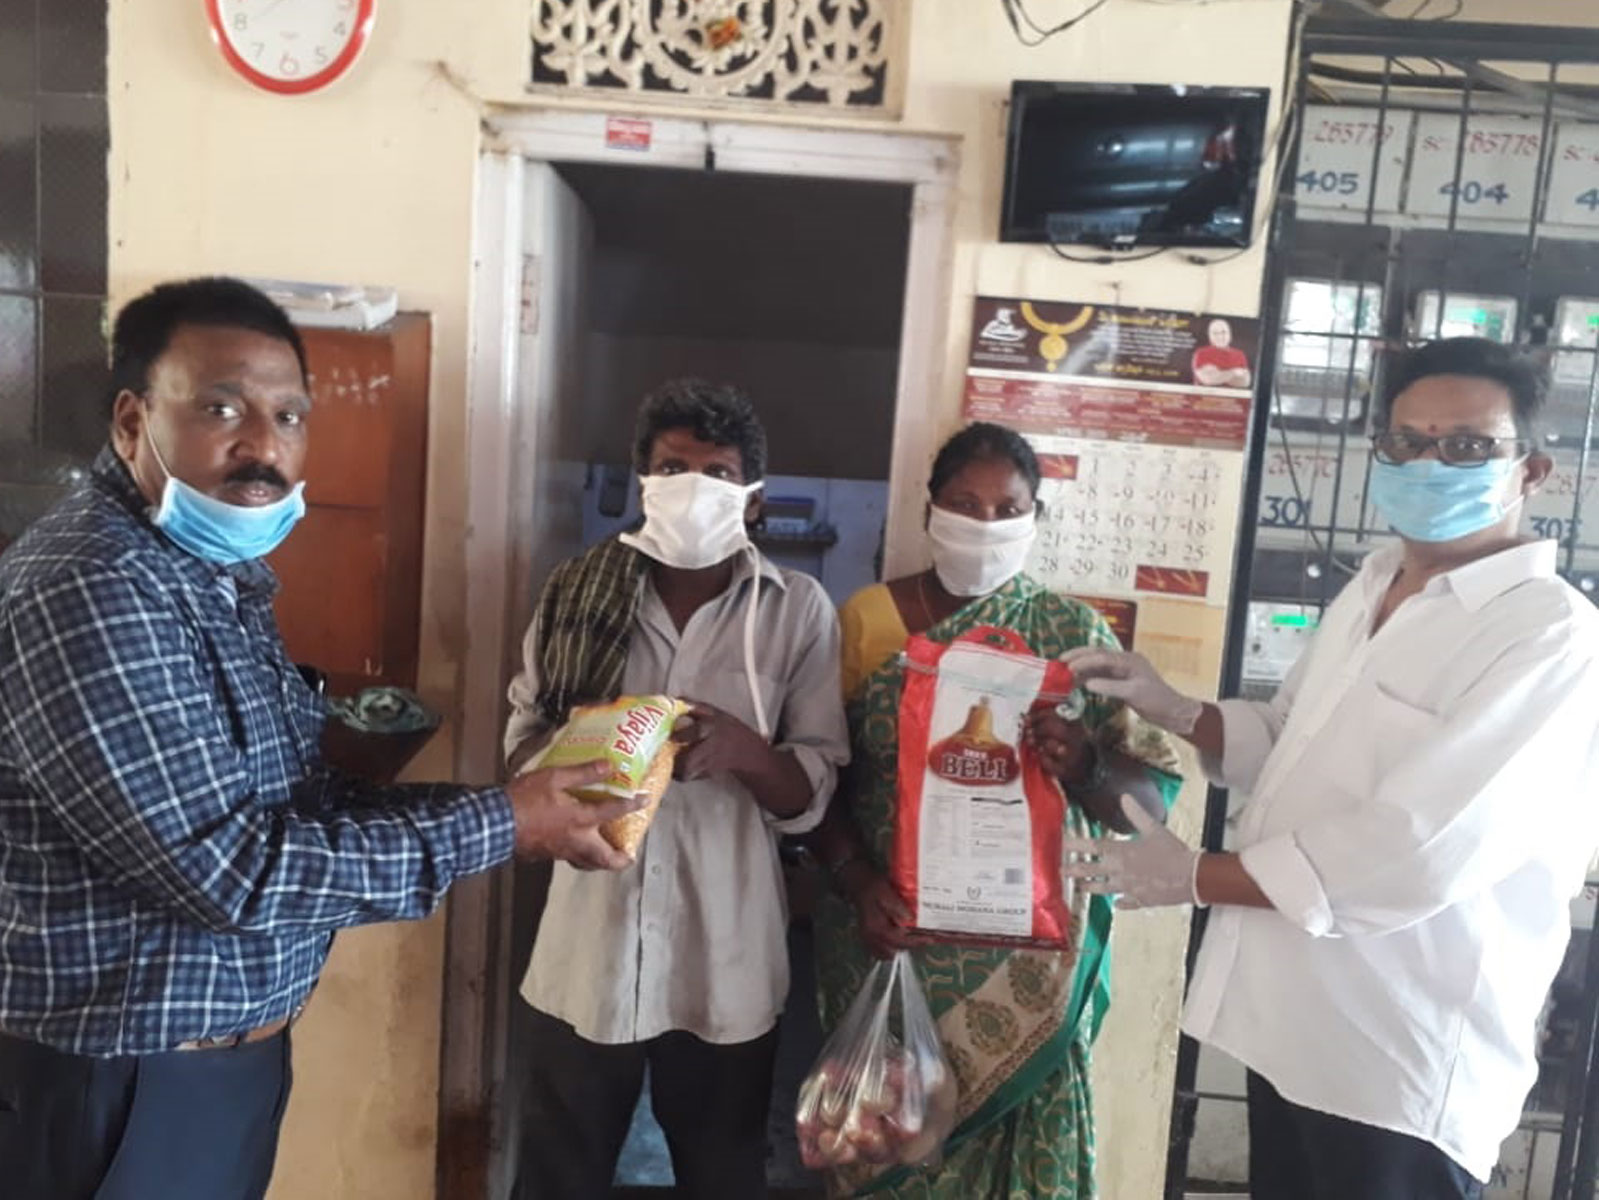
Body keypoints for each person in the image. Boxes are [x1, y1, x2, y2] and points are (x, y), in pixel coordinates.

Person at [0, 278, 641, 1200]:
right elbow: (228, 870)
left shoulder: (213, 578)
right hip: (125, 1079)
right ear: (134, 422)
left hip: (216, 1068)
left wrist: (518, 812)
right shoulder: (94, 588)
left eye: (289, 416)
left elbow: (297, 805)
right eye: (221, 408)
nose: (264, 447)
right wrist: (506, 823)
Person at [1063, 338, 1599, 1200]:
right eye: (1406, 442)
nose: (1428, 465)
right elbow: (1292, 741)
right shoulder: (1373, 586)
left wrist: (1197, 876)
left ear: (1529, 470)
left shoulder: (1548, 636)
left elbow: (1420, 848)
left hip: (1398, 1055)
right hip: (1292, 1031)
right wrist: (1173, 707)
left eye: (1466, 446)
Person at [807, 422, 1183, 1198]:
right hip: (888, 942)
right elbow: (819, 777)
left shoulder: (1072, 635)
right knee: (888, 1147)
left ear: (1035, 518)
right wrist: (855, 880)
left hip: (1029, 979)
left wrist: (1084, 761)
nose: (983, 524)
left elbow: (1146, 806)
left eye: (1006, 509)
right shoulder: (867, 621)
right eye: (963, 503)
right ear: (929, 509)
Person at [504, 379, 850, 1199]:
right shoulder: (575, 593)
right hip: (588, 950)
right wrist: (599, 746)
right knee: (557, 1175)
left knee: (721, 1172)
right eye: (672, 468)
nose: (694, 486)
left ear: (753, 499)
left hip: (724, 955)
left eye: (718, 473)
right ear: (643, 485)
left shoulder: (796, 610)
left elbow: (813, 790)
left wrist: (745, 753)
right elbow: (519, 757)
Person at [1192, 317, 1253, 389]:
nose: (1220, 336)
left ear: (1230, 334)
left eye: (1223, 332)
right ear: (1209, 335)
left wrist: (1219, 374)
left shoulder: (1239, 354)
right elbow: (1208, 380)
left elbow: (1245, 382)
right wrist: (1234, 372)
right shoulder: (1201, 353)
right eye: (1215, 333)